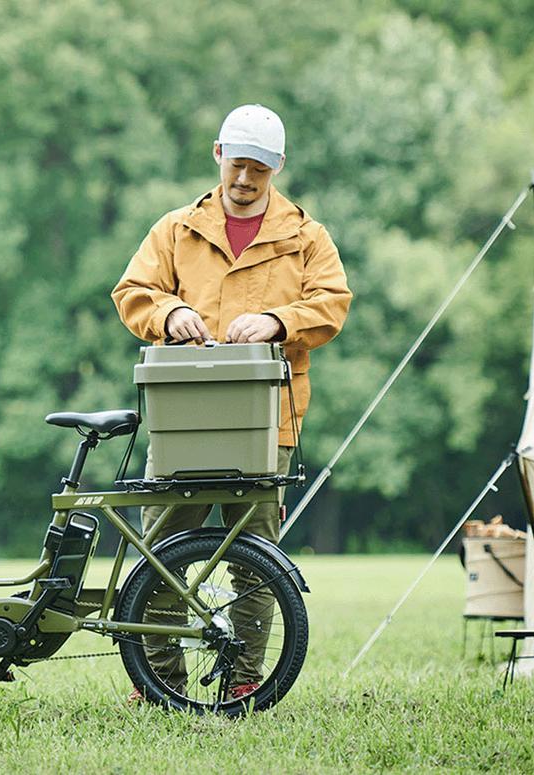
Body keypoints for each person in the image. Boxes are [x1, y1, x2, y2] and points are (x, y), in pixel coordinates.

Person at [111, 104, 352, 701]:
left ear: (277, 168)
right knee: (161, 556)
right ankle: (158, 681)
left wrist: (277, 319)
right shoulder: (175, 229)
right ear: (218, 154)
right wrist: (172, 312)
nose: (245, 181)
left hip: (265, 426)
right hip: (183, 425)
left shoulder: (306, 237)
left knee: (256, 563)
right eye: (237, 166)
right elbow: (132, 292)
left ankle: (245, 681)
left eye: (259, 172)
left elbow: (332, 304)